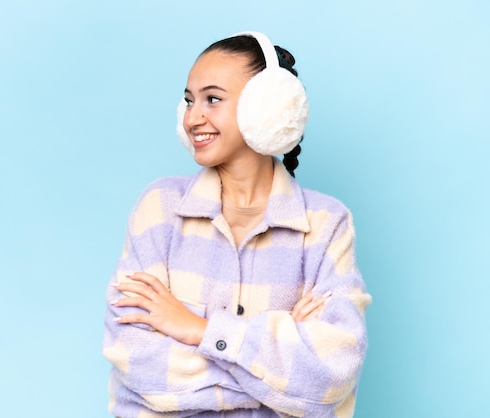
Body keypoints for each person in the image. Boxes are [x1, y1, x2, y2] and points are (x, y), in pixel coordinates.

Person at [103, 31, 371, 417]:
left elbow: (332, 373)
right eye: (189, 101)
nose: (193, 117)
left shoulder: (326, 223)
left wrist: (198, 330)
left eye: (212, 99)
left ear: (268, 109)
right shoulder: (159, 208)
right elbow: (139, 366)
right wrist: (277, 358)